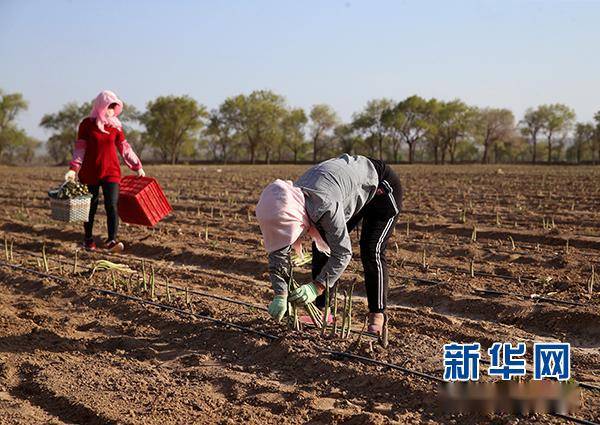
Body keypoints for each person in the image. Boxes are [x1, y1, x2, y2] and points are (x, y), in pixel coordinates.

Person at [256, 154, 402, 334]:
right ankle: (324, 311)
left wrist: (316, 287)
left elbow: (342, 253)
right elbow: (278, 250)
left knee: (371, 249)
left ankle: (377, 315)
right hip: (344, 192)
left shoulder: (324, 206)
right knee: (321, 248)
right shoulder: (291, 203)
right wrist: (280, 294)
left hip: (381, 187)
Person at [64, 90, 145, 252]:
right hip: (90, 172)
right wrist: (73, 168)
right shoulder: (86, 124)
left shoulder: (115, 126)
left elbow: (124, 148)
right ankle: (88, 240)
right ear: (101, 106)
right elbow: (80, 148)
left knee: (112, 205)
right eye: (109, 106)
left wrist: (137, 166)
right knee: (90, 207)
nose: (112, 110)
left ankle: (112, 241)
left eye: (114, 107)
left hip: (111, 172)